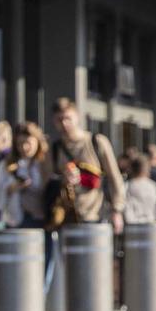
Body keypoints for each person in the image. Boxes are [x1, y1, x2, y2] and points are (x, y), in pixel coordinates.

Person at [47, 97, 125, 230]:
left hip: (94, 216)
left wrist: (117, 210)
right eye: (60, 120)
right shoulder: (55, 149)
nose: (65, 124)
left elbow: (115, 177)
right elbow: (49, 182)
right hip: (68, 219)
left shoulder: (97, 142)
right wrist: (64, 180)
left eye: (68, 118)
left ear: (77, 117)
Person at [0, 121, 51, 227]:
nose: (24, 147)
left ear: (37, 141)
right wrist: (12, 188)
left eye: (28, 143)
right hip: (15, 219)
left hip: (42, 219)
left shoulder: (45, 164)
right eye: (20, 144)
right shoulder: (8, 164)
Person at [122, 151, 156, 225]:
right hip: (151, 225)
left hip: (133, 226)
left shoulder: (127, 186)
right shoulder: (153, 186)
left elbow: (125, 208)